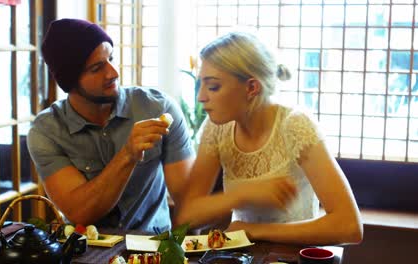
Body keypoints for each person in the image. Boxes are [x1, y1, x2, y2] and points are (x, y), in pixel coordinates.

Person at [174, 32, 363, 245]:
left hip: (292, 256)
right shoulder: (217, 129)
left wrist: (254, 230)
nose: (201, 97)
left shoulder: (295, 124)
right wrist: (242, 195)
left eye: (213, 87)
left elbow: (349, 227)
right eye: (202, 85)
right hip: (244, 256)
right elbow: (186, 217)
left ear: (252, 87)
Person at [27, 18, 194, 233]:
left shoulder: (158, 107)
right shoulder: (47, 131)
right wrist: (128, 155)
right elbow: (80, 213)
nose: (113, 73)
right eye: (97, 68)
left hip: (155, 248)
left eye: (111, 58)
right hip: (88, 253)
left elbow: (190, 201)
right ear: (70, 80)